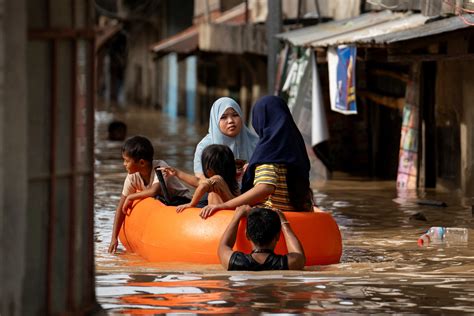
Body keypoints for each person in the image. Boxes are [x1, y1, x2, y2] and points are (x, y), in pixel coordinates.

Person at [199, 95, 314, 218]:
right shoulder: (295, 146)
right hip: (295, 213)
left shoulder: (269, 150)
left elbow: (265, 188)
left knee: (214, 193)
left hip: (269, 217)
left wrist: (225, 206)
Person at [108, 136, 192, 253]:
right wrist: (114, 238)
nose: (124, 164)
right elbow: (120, 208)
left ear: (141, 162)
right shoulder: (132, 177)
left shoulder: (160, 167)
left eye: (127, 161)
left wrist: (131, 196)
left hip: (182, 201)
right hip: (165, 205)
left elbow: (154, 191)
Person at [218, 205, 306, 271]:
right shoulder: (286, 264)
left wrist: (237, 216)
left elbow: (223, 246)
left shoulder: (235, 262)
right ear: (277, 236)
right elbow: (298, 254)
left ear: (247, 235)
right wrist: (283, 222)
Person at [162, 144, 240, 213]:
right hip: (229, 212)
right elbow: (198, 181)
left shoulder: (217, 179)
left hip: (219, 217)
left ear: (209, 169)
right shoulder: (231, 181)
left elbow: (202, 186)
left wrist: (191, 204)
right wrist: (177, 173)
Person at [194, 97, 258, 179]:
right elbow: (200, 178)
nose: (231, 120)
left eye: (235, 115)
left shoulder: (256, 143)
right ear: (215, 120)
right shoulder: (204, 147)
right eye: (223, 117)